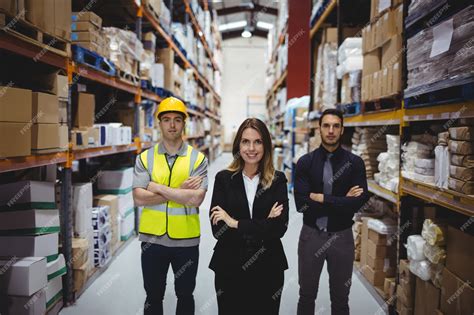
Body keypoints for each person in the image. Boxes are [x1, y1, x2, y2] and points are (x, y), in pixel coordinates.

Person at [132, 97, 208, 315]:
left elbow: (196, 199)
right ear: (159, 123)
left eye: (177, 119)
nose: (172, 124)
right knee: (153, 296)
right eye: (166, 119)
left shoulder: (197, 159)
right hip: (152, 240)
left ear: (184, 123)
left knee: (185, 295)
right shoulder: (145, 158)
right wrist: (179, 191)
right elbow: (138, 198)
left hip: (186, 239)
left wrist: (156, 186)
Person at [208, 118, 289, 315]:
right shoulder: (223, 179)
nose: (251, 148)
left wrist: (234, 222)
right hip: (229, 266)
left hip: (268, 266)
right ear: (238, 145)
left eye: (258, 142)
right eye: (245, 141)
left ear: (266, 145)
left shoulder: (278, 180)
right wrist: (263, 224)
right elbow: (218, 230)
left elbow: (279, 228)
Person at [294, 108, 369, 315]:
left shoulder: (355, 163)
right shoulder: (305, 163)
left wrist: (323, 198)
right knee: (306, 295)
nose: (331, 131)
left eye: (336, 126)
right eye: (326, 125)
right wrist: (343, 200)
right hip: (311, 236)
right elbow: (301, 205)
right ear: (319, 129)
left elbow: (359, 203)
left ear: (342, 129)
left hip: (342, 237)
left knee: (341, 298)